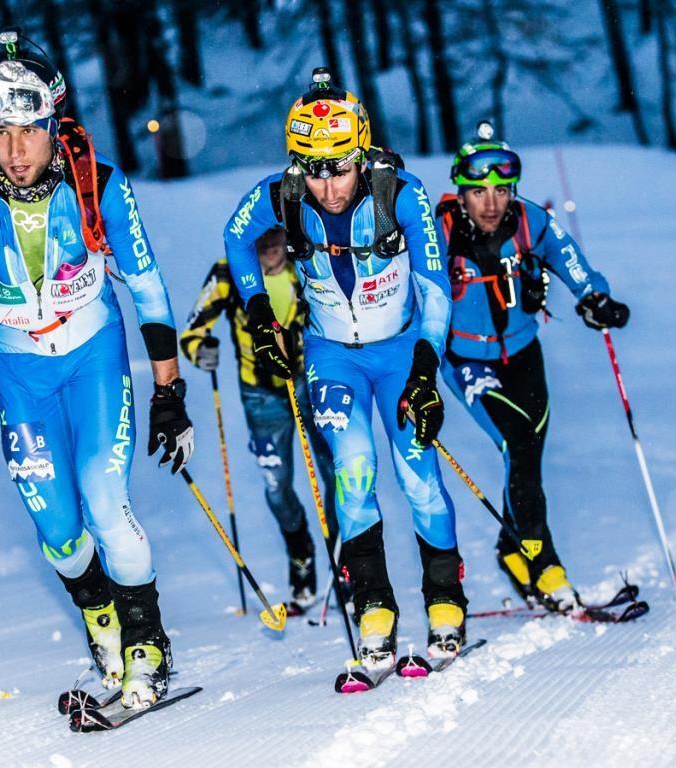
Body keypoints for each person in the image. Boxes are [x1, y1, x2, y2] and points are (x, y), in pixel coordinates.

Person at [0, 29, 194, 708]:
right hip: (21, 373)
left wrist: (168, 390)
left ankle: (147, 641)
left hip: (93, 355)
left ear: (53, 122)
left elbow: (147, 287)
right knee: (59, 533)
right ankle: (102, 626)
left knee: (105, 498)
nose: (12, 149)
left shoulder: (98, 181)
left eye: (27, 130)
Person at [223, 68, 469, 665]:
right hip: (331, 357)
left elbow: (435, 288)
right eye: (312, 168)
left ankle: (445, 600)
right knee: (354, 472)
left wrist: (426, 367)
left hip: (401, 354)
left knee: (417, 475)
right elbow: (235, 239)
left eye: (339, 166)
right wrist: (259, 312)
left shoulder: (400, 195)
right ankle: (375, 608)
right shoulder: (280, 196)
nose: (327, 185)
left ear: (361, 154)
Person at [435, 122, 630, 612]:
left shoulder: (530, 222)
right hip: (467, 358)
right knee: (518, 443)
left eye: (501, 190)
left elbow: (570, 258)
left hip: (523, 352)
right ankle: (547, 569)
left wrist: (594, 297)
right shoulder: (437, 231)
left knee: (527, 455)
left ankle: (511, 551)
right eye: (478, 191)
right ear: (461, 191)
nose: (491, 202)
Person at [180, 227, 338, 614]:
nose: (269, 247)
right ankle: (301, 558)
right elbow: (193, 330)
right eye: (259, 240)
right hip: (261, 396)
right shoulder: (227, 273)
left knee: (336, 473)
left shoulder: (306, 265)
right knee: (276, 487)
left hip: (310, 383)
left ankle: (345, 565)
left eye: (276, 237)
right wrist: (203, 351)